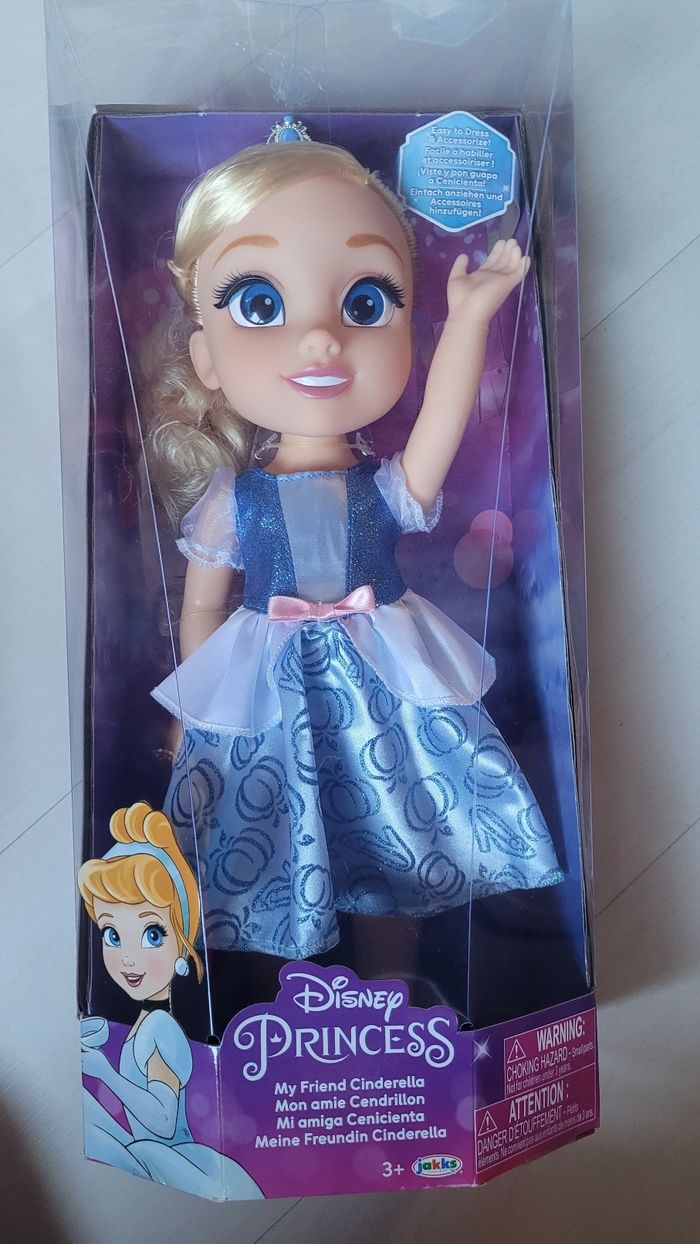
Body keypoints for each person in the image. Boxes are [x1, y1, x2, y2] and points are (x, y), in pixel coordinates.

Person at [146, 138, 564, 970]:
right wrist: (192, 709)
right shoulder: (234, 500)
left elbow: (440, 425)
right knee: (275, 831)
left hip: (385, 685)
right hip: (270, 692)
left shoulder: (387, 486)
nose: (319, 341)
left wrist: (471, 317)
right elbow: (202, 607)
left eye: (366, 302)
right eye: (260, 303)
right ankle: (295, 995)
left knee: (393, 826)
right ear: (206, 359)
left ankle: (392, 984)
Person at [78, 801, 263, 1198]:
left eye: (152, 935)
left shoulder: (161, 1027)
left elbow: (163, 1122)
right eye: (112, 935)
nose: (128, 958)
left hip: (169, 1157)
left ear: (181, 943)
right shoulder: (147, 1023)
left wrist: (105, 1073)